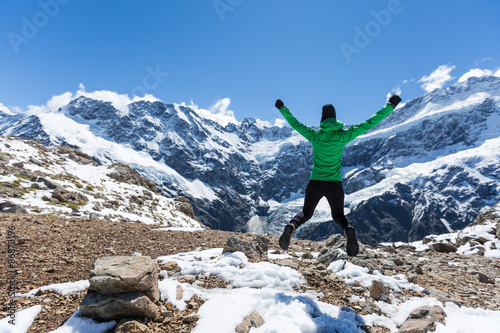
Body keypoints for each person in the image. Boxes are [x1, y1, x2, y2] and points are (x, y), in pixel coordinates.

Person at [275, 95, 402, 256]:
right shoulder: (344, 135)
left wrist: (282, 108)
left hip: (315, 182)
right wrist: (390, 105)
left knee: (306, 213)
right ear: (335, 119)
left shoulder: (315, 136)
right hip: (334, 184)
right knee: (338, 215)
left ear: (322, 120)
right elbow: (370, 123)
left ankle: (292, 227)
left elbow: (296, 124)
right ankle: (348, 229)